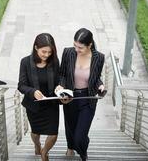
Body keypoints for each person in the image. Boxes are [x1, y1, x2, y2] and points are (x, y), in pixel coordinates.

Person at [55, 28, 105, 161]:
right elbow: (63, 74)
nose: (76, 49)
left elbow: (96, 77)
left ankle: (82, 151)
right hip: (70, 97)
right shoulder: (68, 52)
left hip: (87, 99)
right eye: (75, 45)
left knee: (80, 135)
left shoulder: (99, 57)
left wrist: (100, 85)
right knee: (70, 127)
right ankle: (70, 147)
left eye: (80, 47)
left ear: (90, 45)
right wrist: (61, 85)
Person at [18, 33, 60, 161]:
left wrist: (60, 87)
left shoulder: (55, 61)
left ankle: (44, 153)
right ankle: (37, 144)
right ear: (36, 48)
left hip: (51, 105)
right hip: (34, 106)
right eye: (44, 52)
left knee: (53, 134)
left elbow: (60, 80)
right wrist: (32, 91)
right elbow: (21, 85)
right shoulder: (25, 62)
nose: (47, 55)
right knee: (35, 133)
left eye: (49, 52)